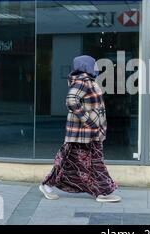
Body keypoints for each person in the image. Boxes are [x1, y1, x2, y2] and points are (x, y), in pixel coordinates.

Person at [39, 55, 121, 203]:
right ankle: (101, 192)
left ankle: (49, 185)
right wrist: (88, 121)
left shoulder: (87, 80)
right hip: (84, 132)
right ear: (85, 66)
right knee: (86, 160)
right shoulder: (83, 81)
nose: (95, 67)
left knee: (75, 160)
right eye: (93, 64)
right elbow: (71, 100)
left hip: (89, 132)